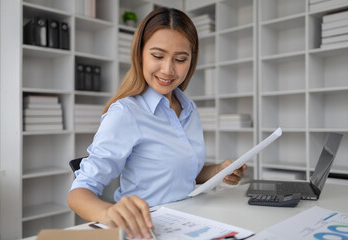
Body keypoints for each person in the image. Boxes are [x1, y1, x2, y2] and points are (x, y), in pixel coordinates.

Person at [68, 7, 247, 240]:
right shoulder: (126, 113)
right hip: (147, 229)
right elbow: (78, 194)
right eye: (158, 56)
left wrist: (218, 171)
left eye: (180, 59)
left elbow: (183, 174)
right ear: (140, 54)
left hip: (188, 222)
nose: (168, 69)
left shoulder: (188, 109)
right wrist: (110, 212)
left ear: (191, 60)